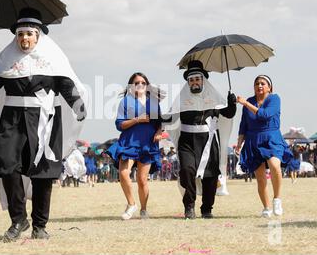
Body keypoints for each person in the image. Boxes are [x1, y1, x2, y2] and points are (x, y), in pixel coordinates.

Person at [0, 7, 86, 242]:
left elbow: (65, 86)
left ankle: (40, 224)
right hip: (12, 120)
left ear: (38, 35)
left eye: (29, 33)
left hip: (45, 119)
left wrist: (77, 104)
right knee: (7, 167)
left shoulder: (52, 60)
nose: (24, 38)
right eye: (20, 34)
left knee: (43, 173)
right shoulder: (6, 59)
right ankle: (18, 219)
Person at [163, 60, 236, 219]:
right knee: (187, 171)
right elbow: (168, 119)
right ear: (188, 82)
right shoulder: (181, 99)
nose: (194, 82)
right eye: (191, 80)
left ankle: (207, 208)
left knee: (210, 176)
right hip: (187, 142)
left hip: (209, 141)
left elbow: (229, 114)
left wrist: (232, 102)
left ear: (203, 80)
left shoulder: (214, 98)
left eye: (197, 79)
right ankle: (189, 206)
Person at [107, 72, 164, 220]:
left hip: (147, 143)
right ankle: (131, 204)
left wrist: (159, 132)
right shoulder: (125, 102)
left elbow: (161, 124)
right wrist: (137, 120)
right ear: (131, 86)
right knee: (123, 172)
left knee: (142, 179)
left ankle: (144, 210)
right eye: (136, 82)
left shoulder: (153, 103)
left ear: (147, 86)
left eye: (143, 83)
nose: (140, 85)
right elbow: (120, 125)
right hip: (129, 142)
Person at [236, 75, 293, 218]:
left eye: (263, 83)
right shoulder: (249, 101)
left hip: (271, 137)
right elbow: (244, 124)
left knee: (275, 165)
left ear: (269, 87)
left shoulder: (274, 99)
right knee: (260, 177)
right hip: (253, 139)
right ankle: (266, 207)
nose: (259, 85)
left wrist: (245, 104)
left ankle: (277, 199)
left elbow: (265, 114)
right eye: (257, 83)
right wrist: (239, 142)